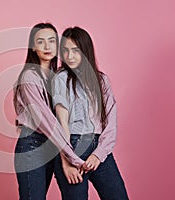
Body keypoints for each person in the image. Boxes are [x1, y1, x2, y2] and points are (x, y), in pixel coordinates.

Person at [52, 27, 129, 200]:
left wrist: (98, 154)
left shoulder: (101, 81)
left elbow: (110, 122)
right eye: (65, 50)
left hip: (98, 146)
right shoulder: (61, 78)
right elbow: (61, 123)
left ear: (85, 51)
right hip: (71, 146)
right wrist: (67, 161)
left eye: (75, 50)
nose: (69, 56)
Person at [13, 23, 84, 200]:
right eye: (41, 42)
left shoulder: (58, 76)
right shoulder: (29, 76)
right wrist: (71, 155)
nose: (47, 46)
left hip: (53, 145)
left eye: (52, 41)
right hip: (33, 146)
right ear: (33, 47)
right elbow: (46, 121)